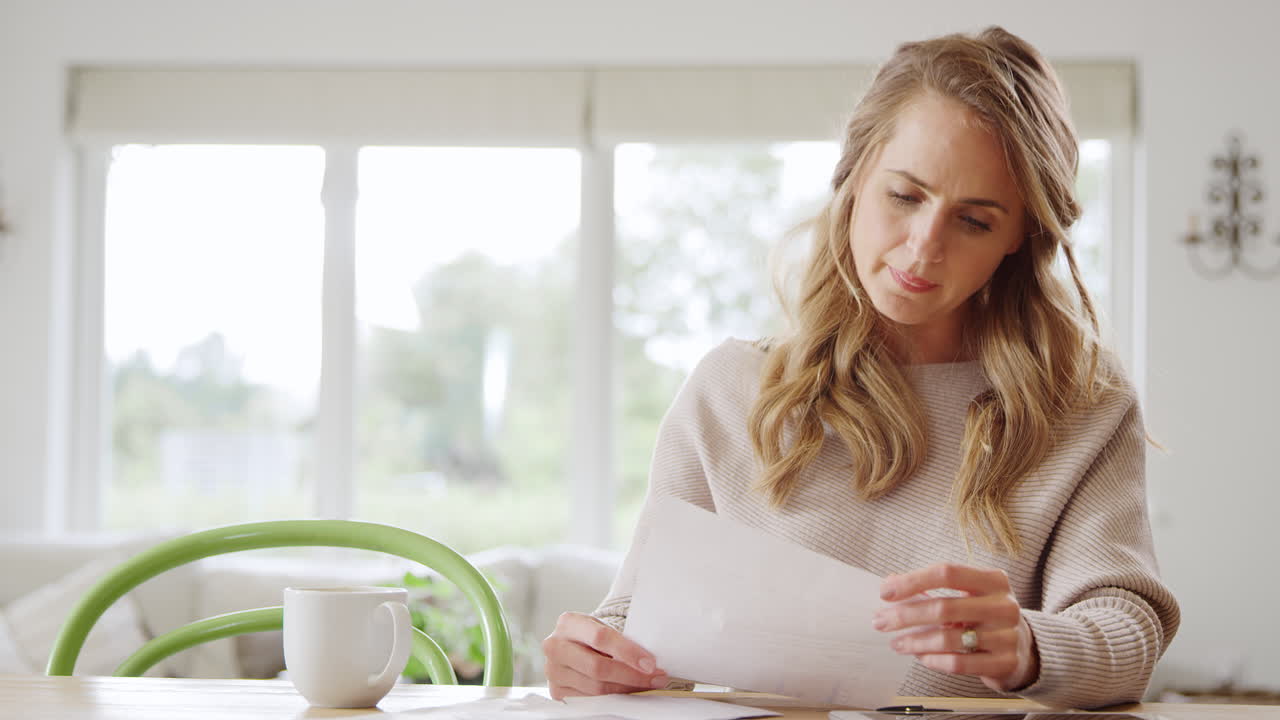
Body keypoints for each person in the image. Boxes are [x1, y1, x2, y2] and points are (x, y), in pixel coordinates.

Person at [541, 26, 1179, 709]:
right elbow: (640, 622)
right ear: (853, 175)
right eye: (904, 196)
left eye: (974, 220)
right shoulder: (728, 392)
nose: (924, 247)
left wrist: (1031, 646)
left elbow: (1126, 628)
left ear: (1020, 237)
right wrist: (598, 658)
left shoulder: (1084, 408)